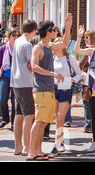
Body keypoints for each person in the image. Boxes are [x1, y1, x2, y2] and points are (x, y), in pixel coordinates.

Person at [28, 14, 72, 161]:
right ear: (48, 32)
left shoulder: (50, 46)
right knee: (39, 121)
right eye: (54, 29)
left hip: (48, 89)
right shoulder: (38, 48)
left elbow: (65, 43)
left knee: (44, 122)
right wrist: (53, 74)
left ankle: (39, 150)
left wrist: (68, 26)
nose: (55, 32)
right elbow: (34, 66)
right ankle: (31, 153)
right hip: (40, 90)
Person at [50, 37, 83, 155]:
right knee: (56, 118)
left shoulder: (69, 58)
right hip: (53, 88)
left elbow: (79, 74)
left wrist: (71, 81)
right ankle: (60, 141)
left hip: (65, 89)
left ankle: (57, 144)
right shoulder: (51, 58)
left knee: (60, 118)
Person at [10, 20, 37, 157]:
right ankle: (27, 146)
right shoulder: (27, 44)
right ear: (33, 30)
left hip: (15, 82)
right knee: (29, 115)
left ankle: (17, 146)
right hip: (25, 82)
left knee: (19, 114)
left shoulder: (17, 42)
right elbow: (31, 64)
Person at [0, 29, 20, 129]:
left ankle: (14, 122)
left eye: (17, 36)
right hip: (5, 76)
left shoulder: (20, 48)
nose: (15, 38)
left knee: (15, 101)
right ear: (9, 37)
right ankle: (5, 118)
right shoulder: (3, 49)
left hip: (17, 77)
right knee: (3, 99)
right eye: (13, 35)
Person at [78, 29, 95, 133]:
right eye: (84, 37)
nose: (85, 39)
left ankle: (88, 124)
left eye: (87, 37)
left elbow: (81, 64)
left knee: (86, 101)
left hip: (87, 79)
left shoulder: (88, 50)